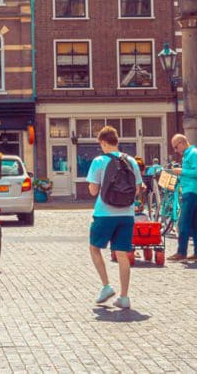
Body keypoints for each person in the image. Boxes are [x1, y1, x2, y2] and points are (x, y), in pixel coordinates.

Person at [86, 126, 144, 310]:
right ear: (116, 141)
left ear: (103, 143)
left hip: (104, 213)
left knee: (94, 248)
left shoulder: (99, 161)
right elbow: (137, 189)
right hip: (127, 214)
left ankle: (106, 286)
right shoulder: (131, 161)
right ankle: (124, 297)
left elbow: (93, 190)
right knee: (122, 254)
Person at [169, 133, 197, 262]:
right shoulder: (188, 155)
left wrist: (181, 171)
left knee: (183, 222)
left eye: (175, 147)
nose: (175, 150)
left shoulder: (194, 153)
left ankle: (181, 252)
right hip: (189, 190)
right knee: (195, 223)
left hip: (192, 191)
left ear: (182, 142)